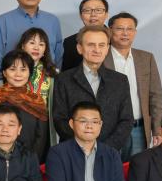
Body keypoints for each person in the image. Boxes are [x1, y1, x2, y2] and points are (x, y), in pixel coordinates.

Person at [52, 26, 134, 157]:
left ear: (107, 49)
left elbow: (126, 119)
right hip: (73, 152)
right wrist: (83, 146)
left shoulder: (120, 80)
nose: (96, 50)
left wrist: (105, 149)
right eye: (91, 45)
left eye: (101, 45)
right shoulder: (63, 79)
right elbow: (59, 119)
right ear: (79, 48)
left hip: (110, 153)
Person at [104, 12, 162, 157]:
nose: (125, 33)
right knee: (108, 167)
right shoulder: (101, 57)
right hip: (108, 129)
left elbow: (156, 96)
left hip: (138, 130)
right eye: (120, 29)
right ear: (110, 31)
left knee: (137, 168)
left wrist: (158, 130)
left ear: (135, 32)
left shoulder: (146, 58)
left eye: (129, 29)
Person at [0, 0, 63, 80]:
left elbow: (58, 55)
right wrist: (0, 83)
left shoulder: (53, 21)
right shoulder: (3, 20)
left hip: (46, 82)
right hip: (13, 82)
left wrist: (56, 79)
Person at [0, 51, 50, 161]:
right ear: (4, 73)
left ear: (30, 73)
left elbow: (41, 137)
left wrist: (31, 162)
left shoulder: (37, 100)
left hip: (28, 161)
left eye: (23, 69)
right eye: (12, 69)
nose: (18, 74)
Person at [61, 0, 110, 72]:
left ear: (106, 14)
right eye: (87, 11)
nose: (93, 14)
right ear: (81, 15)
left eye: (98, 10)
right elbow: (66, 74)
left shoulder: (116, 39)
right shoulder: (70, 42)